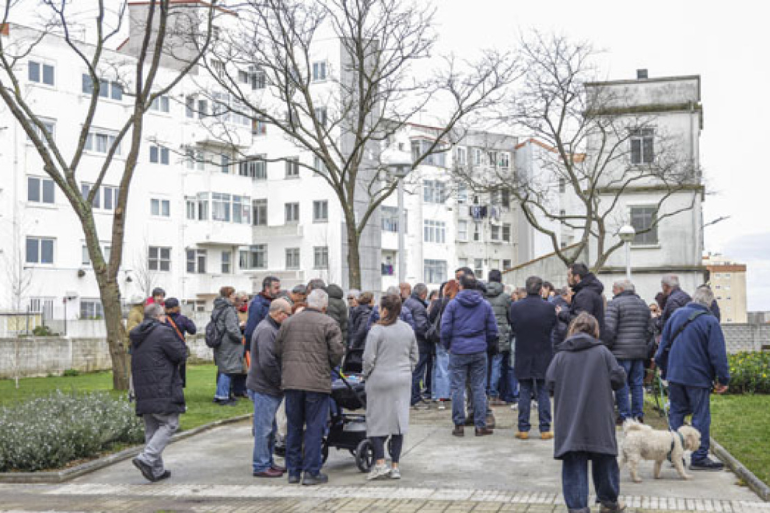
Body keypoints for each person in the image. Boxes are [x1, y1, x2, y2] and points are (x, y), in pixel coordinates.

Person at [546, 313, 627, 513]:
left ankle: (578, 508)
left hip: (569, 418)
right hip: (599, 416)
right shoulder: (603, 353)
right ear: (595, 331)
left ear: (572, 329)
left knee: (573, 462)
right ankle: (609, 503)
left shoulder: (560, 355)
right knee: (605, 458)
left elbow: (550, 383)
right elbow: (618, 379)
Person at [655, 286, 730, 471]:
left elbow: (662, 346)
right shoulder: (710, 321)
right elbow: (718, 354)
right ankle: (699, 457)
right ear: (710, 303)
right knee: (700, 416)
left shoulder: (676, 316)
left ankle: (674, 456)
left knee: (677, 414)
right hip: (698, 377)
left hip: (675, 375)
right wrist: (723, 379)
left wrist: (664, 369)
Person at [276, 289, 345, 485]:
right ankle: (311, 472)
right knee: (315, 428)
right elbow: (336, 353)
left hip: (292, 382)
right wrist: (327, 367)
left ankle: (293, 471)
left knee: (294, 426)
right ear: (324, 306)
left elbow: (278, 349)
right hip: (316, 383)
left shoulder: (288, 322)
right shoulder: (329, 323)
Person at [363, 294, 419, 480]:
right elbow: (415, 356)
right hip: (402, 379)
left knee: (376, 421)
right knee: (398, 422)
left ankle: (380, 463)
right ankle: (395, 465)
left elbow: (368, 359)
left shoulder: (376, 331)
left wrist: (366, 374)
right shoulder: (408, 329)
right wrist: (407, 369)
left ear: (384, 310)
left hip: (379, 378)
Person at [130, 303, 187, 483]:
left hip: (143, 387)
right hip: (161, 385)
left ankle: (156, 470)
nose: (165, 319)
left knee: (152, 428)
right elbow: (180, 354)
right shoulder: (163, 332)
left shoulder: (138, 334)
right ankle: (147, 458)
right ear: (158, 316)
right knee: (170, 423)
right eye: (163, 316)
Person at [441, 274, 498, 437]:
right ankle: (480, 425)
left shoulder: (453, 305)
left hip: (458, 349)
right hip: (478, 349)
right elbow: (492, 330)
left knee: (458, 387)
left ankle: (459, 425)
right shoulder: (485, 305)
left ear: (460, 286)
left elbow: (445, 329)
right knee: (479, 387)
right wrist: (484, 343)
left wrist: (448, 345)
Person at [247, 298, 292, 478]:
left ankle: (267, 461)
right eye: (287, 314)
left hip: (267, 386)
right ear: (279, 313)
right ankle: (260, 465)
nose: (288, 318)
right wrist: (280, 382)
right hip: (264, 387)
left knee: (270, 428)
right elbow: (267, 362)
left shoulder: (270, 327)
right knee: (263, 428)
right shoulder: (267, 330)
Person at [510, 276, 557, 440]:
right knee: (543, 391)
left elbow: (514, 327)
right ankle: (545, 428)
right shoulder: (549, 307)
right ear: (540, 289)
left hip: (523, 351)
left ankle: (523, 428)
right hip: (543, 352)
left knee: (524, 390)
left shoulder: (515, 307)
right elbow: (553, 326)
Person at [603, 280, 653, 424]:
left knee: (622, 383)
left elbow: (609, 329)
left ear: (619, 289)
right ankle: (638, 414)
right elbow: (650, 329)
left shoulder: (614, 304)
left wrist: (608, 347)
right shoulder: (643, 304)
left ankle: (625, 415)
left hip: (620, 352)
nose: (612, 291)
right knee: (637, 383)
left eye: (613, 288)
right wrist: (642, 343)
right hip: (638, 352)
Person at [212, 286, 245, 406]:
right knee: (228, 370)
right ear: (228, 296)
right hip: (229, 343)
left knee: (224, 368)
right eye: (233, 294)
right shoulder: (229, 309)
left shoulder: (218, 307)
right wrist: (240, 336)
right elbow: (231, 329)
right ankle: (222, 396)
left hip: (221, 342)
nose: (235, 296)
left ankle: (222, 394)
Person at [484, 270, 512, 407]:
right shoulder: (505, 297)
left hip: (484, 335)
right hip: (500, 334)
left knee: (484, 365)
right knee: (496, 365)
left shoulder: (483, 296)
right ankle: (493, 395)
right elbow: (510, 316)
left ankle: (482, 393)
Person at [429, 280, 458, 409]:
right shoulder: (457, 303)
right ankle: (446, 394)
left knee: (439, 366)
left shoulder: (439, 302)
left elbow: (431, 318)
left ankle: (438, 394)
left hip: (440, 337)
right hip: (453, 338)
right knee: (448, 366)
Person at [403, 283, 431, 410]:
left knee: (412, 370)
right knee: (417, 371)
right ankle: (414, 398)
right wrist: (430, 334)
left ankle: (413, 396)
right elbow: (421, 327)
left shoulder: (408, 302)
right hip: (420, 343)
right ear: (423, 294)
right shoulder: (419, 306)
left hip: (409, 341)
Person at [559, 263, 605, 330]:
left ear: (577, 277)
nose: (567, 279)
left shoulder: (584, 295)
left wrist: (562, 313)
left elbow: (580, 321)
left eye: (569, 275)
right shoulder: (590, 290)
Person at [164, 298, 196, 387]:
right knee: (180, 372)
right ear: (176, 308)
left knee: (167, 372)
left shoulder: (162, 319)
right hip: (179, 348)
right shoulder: (183, 319)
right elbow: (193, 330)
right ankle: (179, 391)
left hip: (165, 349)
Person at [245, 276, 280, 345]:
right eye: (276, 288)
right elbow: (251, 329)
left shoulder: (273, 302)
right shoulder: (257, 305)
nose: (279, 290)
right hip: (262, 344)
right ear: (267, 288)